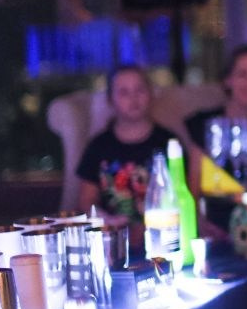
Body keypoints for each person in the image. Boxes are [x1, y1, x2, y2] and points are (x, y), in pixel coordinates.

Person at [76, 64, 178, 251]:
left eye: (140, 90)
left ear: (151, 94)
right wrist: (110, 223)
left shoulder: (168, 143)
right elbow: (85, 202)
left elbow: (182, 194)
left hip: (163, 239)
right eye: (124, 92)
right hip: (112, 243)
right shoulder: (98, 147)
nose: (133, 98)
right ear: (110, 99)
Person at [184, 44, 247, 231]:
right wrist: (200, 225)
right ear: (228, 80)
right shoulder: (206, 126)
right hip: (219, 224)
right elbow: (194, 191)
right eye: (243, 74)